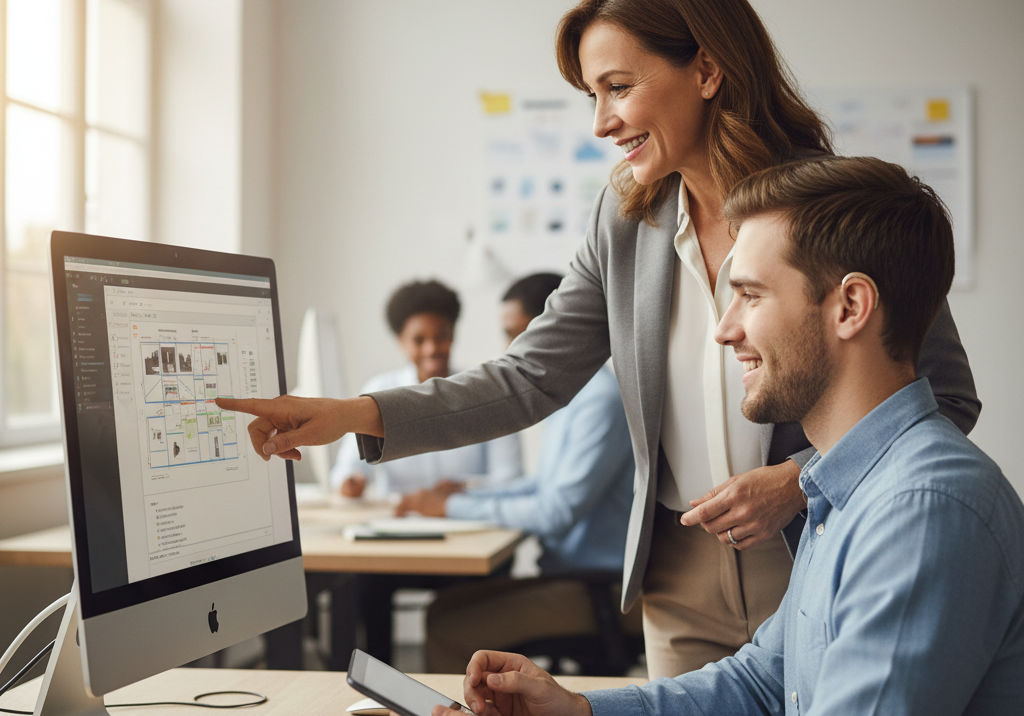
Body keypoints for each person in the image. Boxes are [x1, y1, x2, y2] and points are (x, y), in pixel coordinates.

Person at [217, 0, 980, 678]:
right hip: (678, 570)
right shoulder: (626, 224)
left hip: (815, 548)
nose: (600, 122)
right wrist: (355, 414)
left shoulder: (832, 206)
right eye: (592, 95)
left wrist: (799, 481)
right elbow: (529, 377)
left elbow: (943, 396)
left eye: (618, 87)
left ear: (708, 69)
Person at [434, 157, 1024, 716]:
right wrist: (582, 710)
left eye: (751, 294)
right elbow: (763, 682)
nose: (724, 329)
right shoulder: (843, 489)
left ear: (850, 306)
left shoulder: (919, 512)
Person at [394, 273, 638, 673]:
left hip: (601, 590)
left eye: (516, 334)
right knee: (444, 608)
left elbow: (555, 512)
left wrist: (452, 507)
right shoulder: (574, 394)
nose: (509, 349)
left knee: (448, 626)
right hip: (573, 578)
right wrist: (469, 493)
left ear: (554, 327)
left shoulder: (600, 401)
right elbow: (544, 486)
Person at [329, 278, 521, 499]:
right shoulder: (379, 391)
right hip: (399, 523)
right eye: (419, 340)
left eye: (441, 337)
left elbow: (511, 478)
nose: (431, 349)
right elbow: (347, 469)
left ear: (453, 334)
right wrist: (351, 481)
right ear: (401, 341)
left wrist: (464, 488)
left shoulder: (487, 390)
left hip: (469, 522)